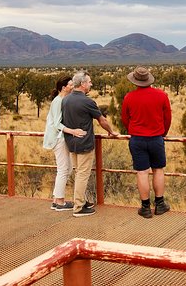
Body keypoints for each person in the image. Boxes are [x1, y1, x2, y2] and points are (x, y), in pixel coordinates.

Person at [62, 71, 117, 217]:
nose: (91, 84)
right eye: (90, 82)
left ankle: (81, 200)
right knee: (82, 174)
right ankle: (79, 207)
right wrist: (111, 131)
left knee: (78, 172)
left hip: (71, 143)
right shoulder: (87, 102)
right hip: (84, 143)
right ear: (83, 84)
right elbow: (102, 120)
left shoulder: (66, 100)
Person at [121, 66, 172, 218]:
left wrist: (133, 129)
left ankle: (145, 207)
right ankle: (160, 204)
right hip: (156, 138)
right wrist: (163, 133)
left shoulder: (129, 97)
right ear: (149, 80)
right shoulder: (162, 95)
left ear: (135, 81)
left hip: (137, 139)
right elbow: (167, 118)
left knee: (142, 172)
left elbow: (125, 118)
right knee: (158, 170)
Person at [42, 76, 86, 211]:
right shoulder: (58, 101)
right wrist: (72, 131)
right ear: (63, 88)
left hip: (61, 138)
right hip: (58, 138)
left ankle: (56, 199)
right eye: (71, 85)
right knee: (63, 169)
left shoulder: (63, 100)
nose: (73, 87)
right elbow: (56, 124)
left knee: (67, 168)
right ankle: (60, 202)